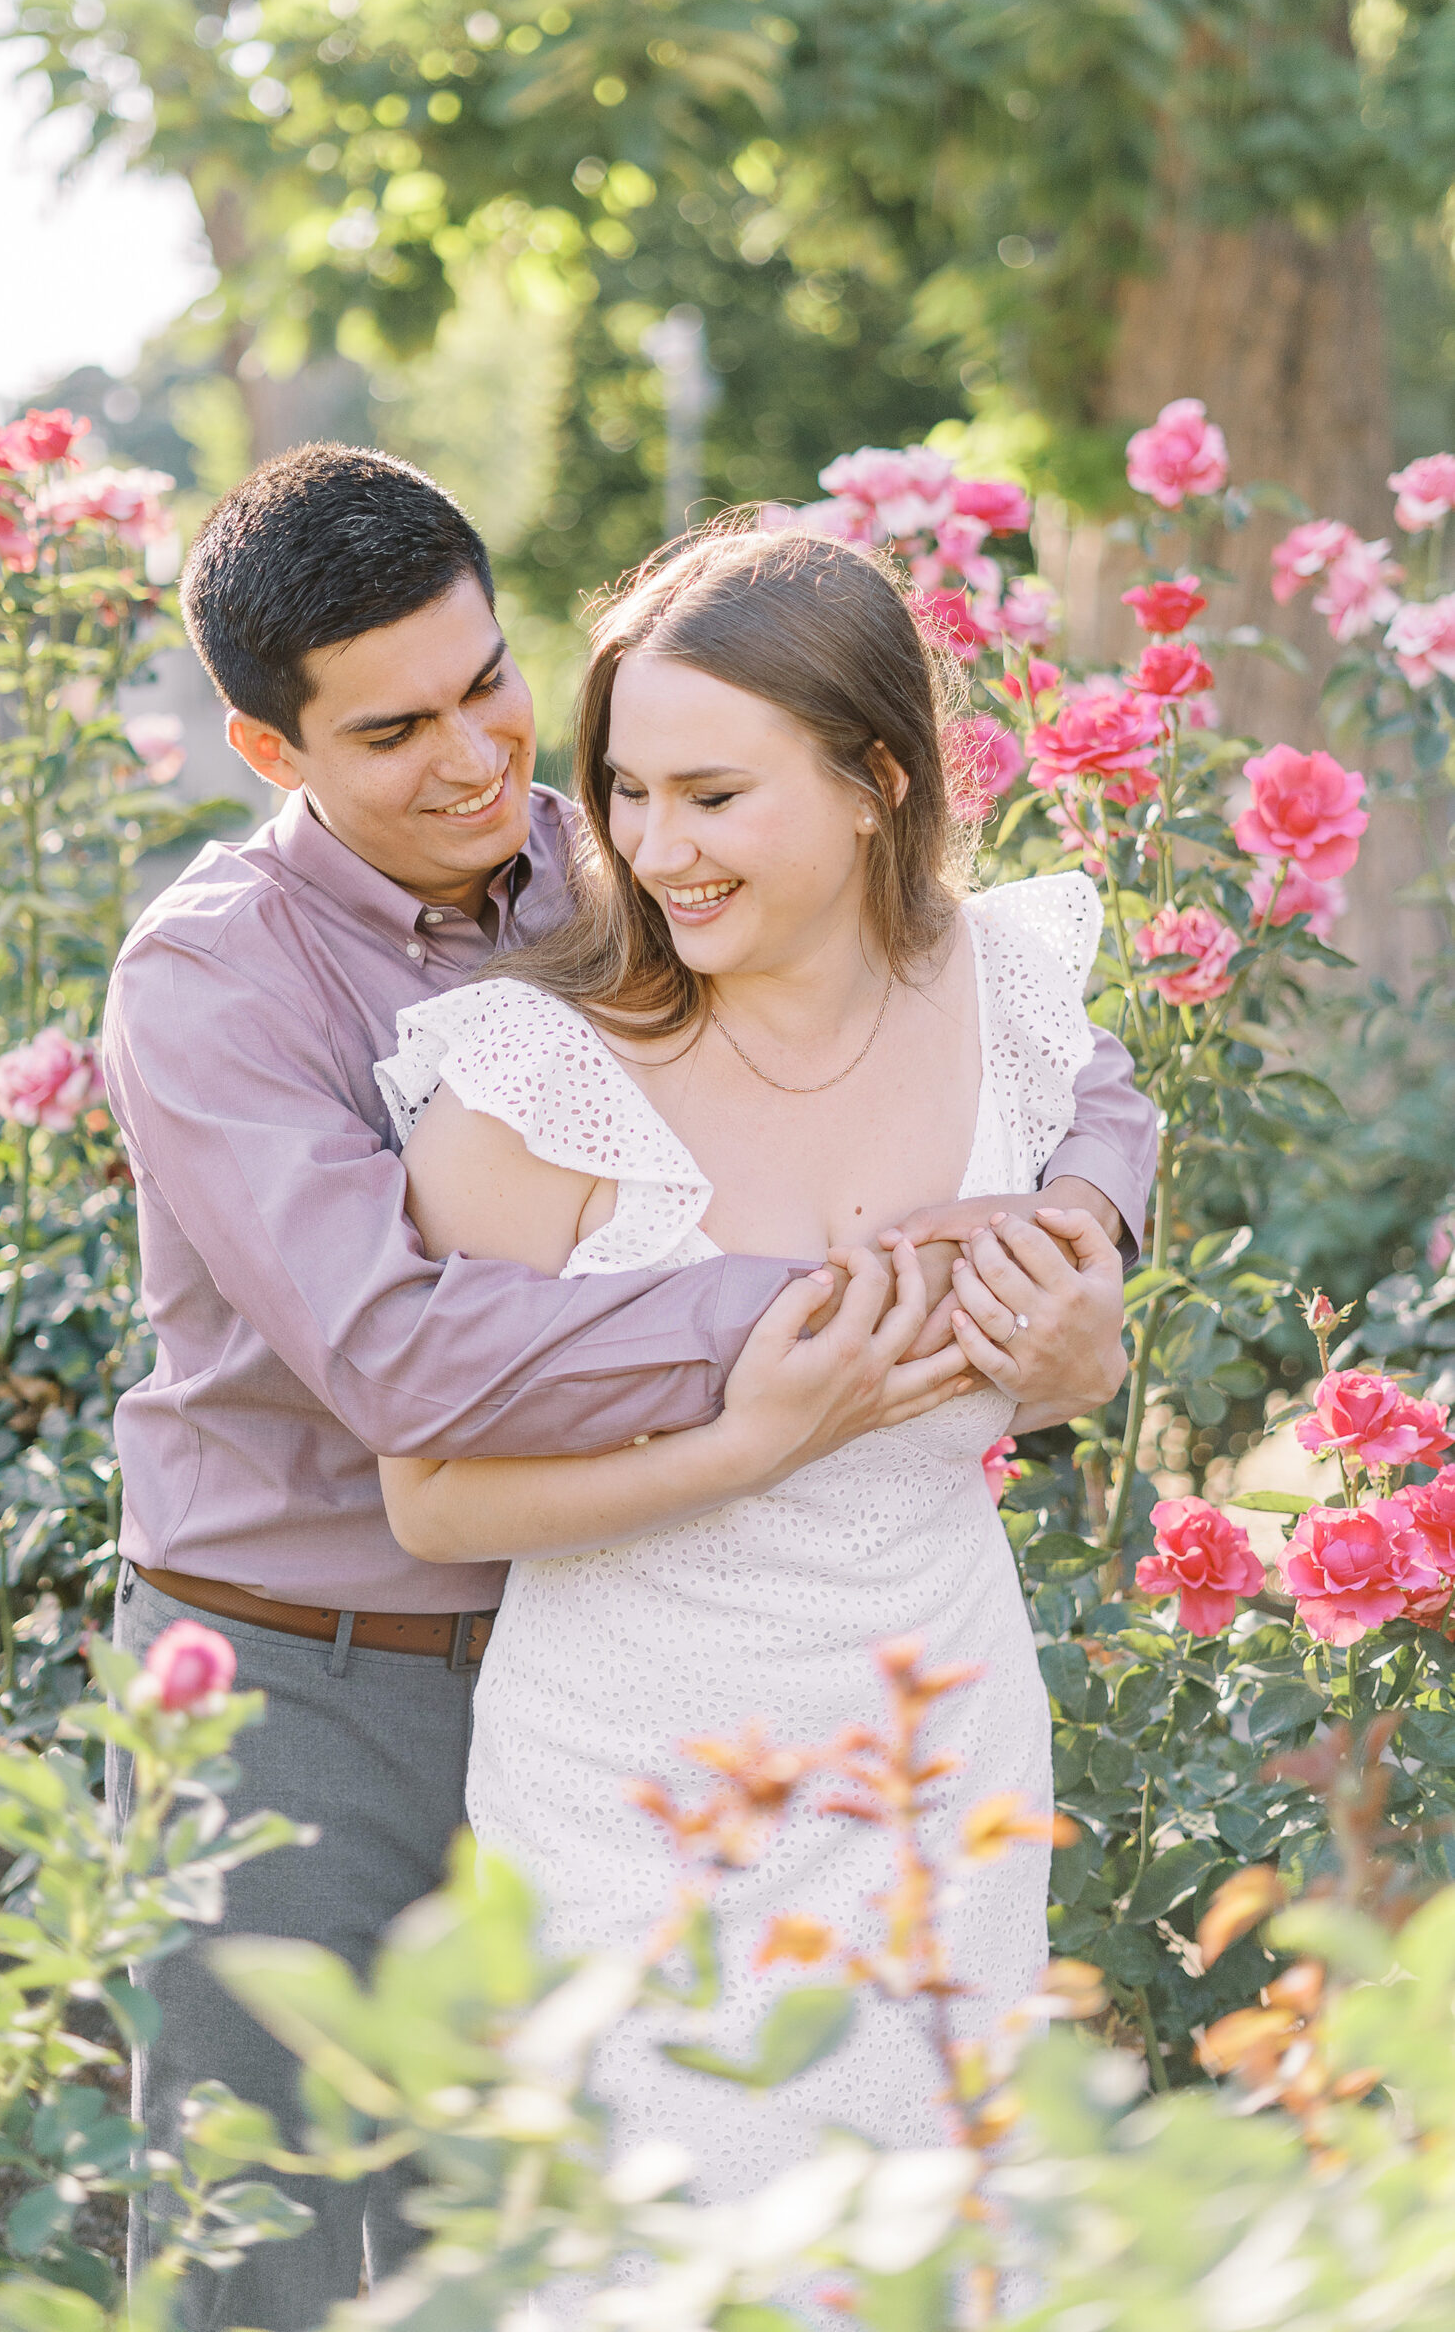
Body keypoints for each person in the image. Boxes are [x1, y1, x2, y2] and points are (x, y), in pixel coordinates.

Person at [99, 446, 1155, 2329]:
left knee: (492, 2243)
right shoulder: (215, 985)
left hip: (603, 1639)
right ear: (275, 753)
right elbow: (406, 1355)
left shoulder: (640, 839)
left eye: (488, 680)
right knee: (251, 2247)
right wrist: (847, 1313)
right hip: (300, 1663)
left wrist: (1075, 1244)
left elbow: (1029, 1042)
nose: (479, 757)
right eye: (394, 727)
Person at [374, 521, 1109, 2206]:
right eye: (628, 792)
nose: (652, 848)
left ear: (875, 783)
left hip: (942, 1745)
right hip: (635, 1795)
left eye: (712, 797)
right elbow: (433, 1499)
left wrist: (1080, 1359)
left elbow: (1056, 1353)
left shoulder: (1011, 996)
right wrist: (752, 1441)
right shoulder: (532, 1088)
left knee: (932, 2239)